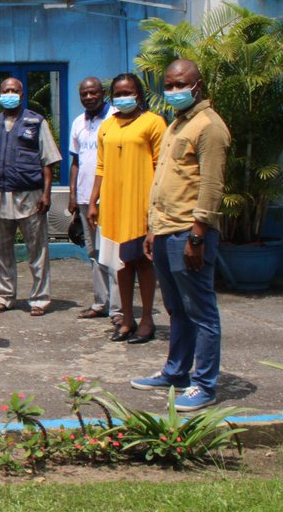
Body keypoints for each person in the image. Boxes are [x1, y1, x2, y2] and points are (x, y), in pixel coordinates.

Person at [131, 59, 231, 411]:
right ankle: (176, 372)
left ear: (197, 86)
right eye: (169, 85)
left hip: (189, 232)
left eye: (180, 84)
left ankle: (204, 384)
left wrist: (198, 235)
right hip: (164, 230)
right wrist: (151, 229)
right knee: (176, 309)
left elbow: (211, 185)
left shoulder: (209, 127)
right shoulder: (177, 124)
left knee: (201, 310)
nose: (173, 90)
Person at [88, 73, 167, 344]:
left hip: (141, 203)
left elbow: (160, 166)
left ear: (139, 94)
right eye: (118, 93)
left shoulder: (154, 123)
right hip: (113, 204)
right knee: (119, 263)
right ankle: (127, 319)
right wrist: (93, 200)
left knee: (143, 262)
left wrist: (156, 206)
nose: (123, 97)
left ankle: (147, 319)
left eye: (128, 92)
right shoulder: (107, 126)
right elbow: (101, 166)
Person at [0, 76, 62, 316]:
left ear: (22, 95)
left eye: (14, 90)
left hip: (29, 196)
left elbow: (48, 161)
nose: (10, 94)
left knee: (37, 249)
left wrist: (47, 194)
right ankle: (4, 296)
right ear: (0, 93)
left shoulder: (36, 122)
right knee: (1, 250)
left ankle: (39, 299)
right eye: (6, 90)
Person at [67, 77, 121, 323]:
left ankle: (119, 309)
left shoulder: (117, 118)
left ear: (103, 93)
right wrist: (73, 195)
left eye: (93, 93)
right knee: (94, 252)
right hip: (85, 198)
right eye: (84, 94)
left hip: (111, 197)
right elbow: (76, 161)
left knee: (114, 253)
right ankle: (101, 302)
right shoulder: (79, 122)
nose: (89, 97)